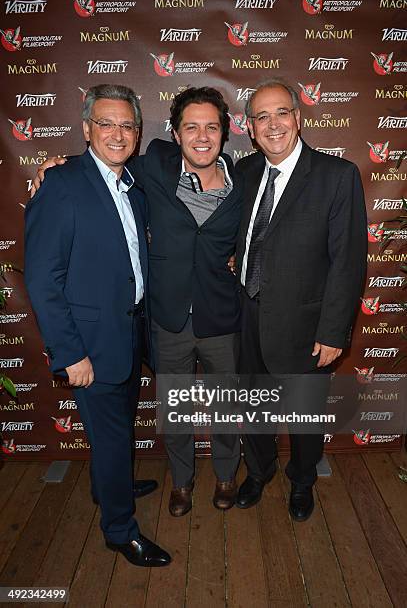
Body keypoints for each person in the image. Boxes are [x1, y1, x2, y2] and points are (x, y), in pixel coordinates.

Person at [31, 87, 243, 517]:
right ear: (175, 134)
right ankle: (181, 483)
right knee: (176, 410)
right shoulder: (151, 168)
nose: (201, 136)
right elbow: (96, 165)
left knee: (225, 405)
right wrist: (51, 166)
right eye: (191, 127)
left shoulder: (247, 176)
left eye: (211, 127)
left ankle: (225, 474)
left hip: (222, 317)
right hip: (166, 322)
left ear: (226, 133)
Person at [25, 84, 171, 567]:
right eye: (105, 123)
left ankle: (113, 484)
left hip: (130, 333)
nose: (118, 133)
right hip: (89, 345)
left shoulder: (134, 182)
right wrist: (69, 354)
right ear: (86, 128)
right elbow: (44, 280)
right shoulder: (62, 185)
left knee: (118, 432)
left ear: (138, 132)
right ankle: (118, 529)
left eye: (127, 125)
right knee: (110, 437)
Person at [234, 78, 367, 520]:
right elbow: (163, 159)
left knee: (306, 416)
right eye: (261, 117)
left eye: (281, 113)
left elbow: (347, 261)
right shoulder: (244, 171)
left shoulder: (337, 175)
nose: (272, 125)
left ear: (298, 117)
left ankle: (302, 480)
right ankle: (258, 471)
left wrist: (333, 331)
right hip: (246, 317)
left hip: (306, 324)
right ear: (249, 128)